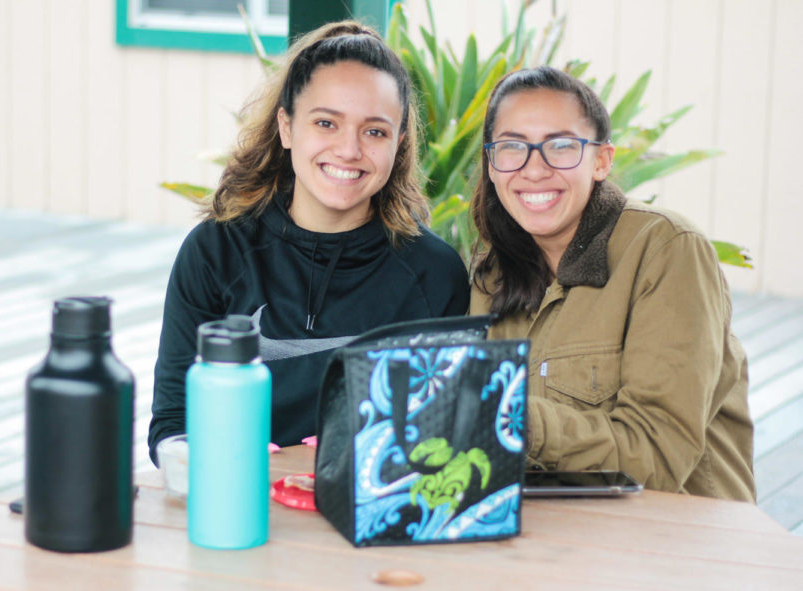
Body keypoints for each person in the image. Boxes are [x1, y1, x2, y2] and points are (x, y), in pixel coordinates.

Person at [148, 22, 470, 465]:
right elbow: (172, 423)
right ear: (286, 126)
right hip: (240, 505)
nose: (349, 150)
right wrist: (226, 464)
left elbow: (444, 439)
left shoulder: (436, 274)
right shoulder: (214, 252)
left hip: (369, 518)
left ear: (399, 143)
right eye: (326, 123)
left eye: (374, 131)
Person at [469, 66, 755, 502]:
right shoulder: (493, 275)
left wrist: (510, 418)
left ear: (601, 160)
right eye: (513, 148)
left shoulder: (667, 250)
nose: (534, 169)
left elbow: (657, 458)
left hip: (677, 545)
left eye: (561, 146)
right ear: (492, 165)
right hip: (549, 540)